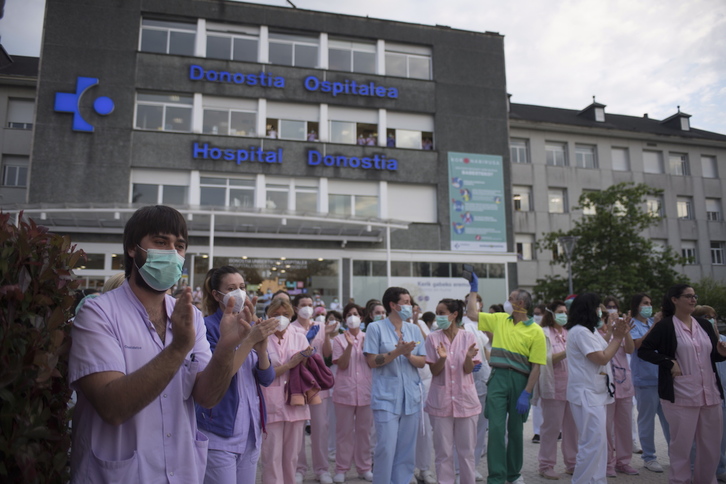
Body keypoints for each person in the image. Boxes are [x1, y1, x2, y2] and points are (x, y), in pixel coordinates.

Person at [69, 205, 253, 482]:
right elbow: (112, 407)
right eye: (160, 242)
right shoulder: (98, 312)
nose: (172, 253)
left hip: (182, 471)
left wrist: (226, 347)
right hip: (122, 473)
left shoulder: (189, 315)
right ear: (133, 249)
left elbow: (207, 397)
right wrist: (179, 347)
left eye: (179, 246)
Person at [196, 266, 278, 484]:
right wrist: (249, 340)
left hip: (251, 432)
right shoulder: (207, 327)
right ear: (216, 294)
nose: (239, 293)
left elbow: (267, 378)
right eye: (231, 288)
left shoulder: (250, 324)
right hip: (220, 432)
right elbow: (220, 375)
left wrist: (261, 350)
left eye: (242, 287)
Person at [638, 284, 726, 484]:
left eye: (695, 296)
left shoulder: (704, 325)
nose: (693, 299)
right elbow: (644, 350)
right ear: (674, 300)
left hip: (709, 393)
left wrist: (721, 352)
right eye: (688, 296)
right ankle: (680, 480)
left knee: (711, 446)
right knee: (682, 446)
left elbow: (713, 357)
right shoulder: (666, 326)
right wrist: (668, 362)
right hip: (681, 395)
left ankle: (706, 480)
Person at [465, 272, 546, 484]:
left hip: (521, 381)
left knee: (516, 432)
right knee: (497, 430)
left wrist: (526, 393)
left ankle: (514, 474)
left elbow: (536, 367)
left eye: (510, 299)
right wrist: (473, 290)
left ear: (520, 303)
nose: (506, 302)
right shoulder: (500, 319)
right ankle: (497, 477)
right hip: (498, 378)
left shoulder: (536, 332)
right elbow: (472, 313)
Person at [363, 286, 426, 484]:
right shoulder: (375, 328)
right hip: (386, 398)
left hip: (411, 397)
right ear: (393, 305)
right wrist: (397, 352)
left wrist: (408, 355)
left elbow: (422, 362)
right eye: (406, 302)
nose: (410, 306)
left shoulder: (414, 329)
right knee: (386, 448)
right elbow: (372, 361)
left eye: (410, 302)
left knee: (406, 449)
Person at [565, 293, 629, 484]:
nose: (600, 311)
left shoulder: (589, 331)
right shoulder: (579, 332)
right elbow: (601, 357)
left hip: (595, 393)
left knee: (598, 442)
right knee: (591, 444)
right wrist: (617, 339)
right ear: (588, 309)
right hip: (586, 394)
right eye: (598, 307)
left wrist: (617, 333)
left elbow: (603, 345)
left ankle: (597, 480)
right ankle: (582, 481)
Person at [425, 298, 481, 484]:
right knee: (443, 452)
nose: (438, 317)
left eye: (441, 313)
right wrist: (441, 358)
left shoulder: (468, 337)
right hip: (441, 402)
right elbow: (434, 371)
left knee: (466, 452)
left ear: (454, 314)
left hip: (466, 401)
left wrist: (467, 357)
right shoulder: (432, 338)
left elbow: (468, 369)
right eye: (437, 312)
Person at [260, 298, 315, 484]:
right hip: (271, 403)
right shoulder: (262, 338)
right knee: (271, 456)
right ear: (268, 316)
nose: (281, 318)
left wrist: (308, 358)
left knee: (292, 457)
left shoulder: (299, 336)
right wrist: (290, 364)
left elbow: (306, 369)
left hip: (296, 401)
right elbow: (263, 373)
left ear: (291, 316)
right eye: (276, 315)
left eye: (285, 315)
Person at [291, 294, 336, 484]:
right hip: (300, 383)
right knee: (298, 428)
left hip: (318, 386)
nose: (307, 308)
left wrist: (325, 335)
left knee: (321, 428)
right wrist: (304, 340)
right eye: (303, 305)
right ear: (295, 308)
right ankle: (299, 468)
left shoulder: (321, 327)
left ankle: (322, 469)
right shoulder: (291, 329)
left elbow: (327, 355)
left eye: (310, 304)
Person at [532, 300, 577, 480]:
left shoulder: (569, 333)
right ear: (551, 314)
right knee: (551, 429)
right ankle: (546, 465)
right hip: (553, 387)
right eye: (560, 311)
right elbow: (544, 359)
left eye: (566, 312)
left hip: (572, 387)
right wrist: (567, 351)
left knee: (572, 429)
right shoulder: (543, 334)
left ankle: (572, 463)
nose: (564, 315)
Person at [331, 303, 373, 482]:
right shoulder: (339, 340)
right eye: (349, 314)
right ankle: (341, 468)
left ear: (362, 318)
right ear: (345, 319)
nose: (353, 317)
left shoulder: (369, 337)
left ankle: (364, 467)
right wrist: (349, 346)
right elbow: (341, 364)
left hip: (366, 391)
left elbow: (373, 362)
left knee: (365, 432)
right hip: (344, 392)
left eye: (355, 314)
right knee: (344, 433)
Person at [629, 292, 670, 473]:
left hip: (662, 377)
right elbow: (638, 345)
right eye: (645, 303)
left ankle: (675, 455)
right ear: (637, 306)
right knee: (646, 420)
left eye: (650, 303)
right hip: (644, 379)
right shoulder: (633, 324)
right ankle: (649, 457)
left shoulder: (653, 323)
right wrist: (655, 326)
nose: (649, 306)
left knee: (669, 420)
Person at [598, 301, 639, 477]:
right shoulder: (597, 330)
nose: (612, 310)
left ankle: (623, 462)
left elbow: (630, 349)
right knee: (606, 427)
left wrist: (624, 332)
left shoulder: (622, 326)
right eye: (608, 307)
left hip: (624, 384)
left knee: (624, 426)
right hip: (606, 385)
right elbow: (601, 347)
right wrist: (612, 333)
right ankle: (608, 463)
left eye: (614, 307)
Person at [693, 305, 726, 483]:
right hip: (705, 396)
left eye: (713, 316)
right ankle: (696, 472)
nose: (711, 320)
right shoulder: (697, 343)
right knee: (699, 439)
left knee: (720, 440)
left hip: (722, 396)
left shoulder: (724, 340)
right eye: (706, 317)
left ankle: (720, 469)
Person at [461, 292, 491, 482]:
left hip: (484, 381)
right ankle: (462, 469)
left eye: (477, 301)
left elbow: (488, 353)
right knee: (467, 431)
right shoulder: (465, 325)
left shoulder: (482, 326)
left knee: (480, 429)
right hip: (469, 381)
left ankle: (473, 466)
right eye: (471, 302)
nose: (474, 305)